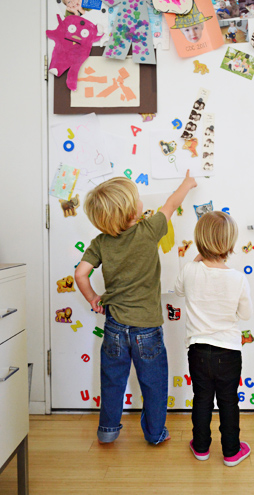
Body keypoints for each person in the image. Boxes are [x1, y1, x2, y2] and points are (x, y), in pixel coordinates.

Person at [75, 172, 197, 445]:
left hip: (115, 327)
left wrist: (94, 298)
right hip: (147, 329)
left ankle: (107, 432)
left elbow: (80, 274)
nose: (142, 202)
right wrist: (187, 184)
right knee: (153, 386)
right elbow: (171, 204)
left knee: (112, 382)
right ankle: (154, 434)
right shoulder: (149, 229)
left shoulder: (101, 242)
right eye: (138, 199)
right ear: (131, 210)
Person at [174, 211, 253, 466]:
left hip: (197, 350)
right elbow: (246, 314)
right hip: (229, 351)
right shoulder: (238, 278)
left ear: (199, 241)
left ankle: (201, 448)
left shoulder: (189, 270)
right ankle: (231, 452)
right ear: (230, 244)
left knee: (202, 399)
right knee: (228, 401)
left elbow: (177, 290)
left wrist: (195, 261)